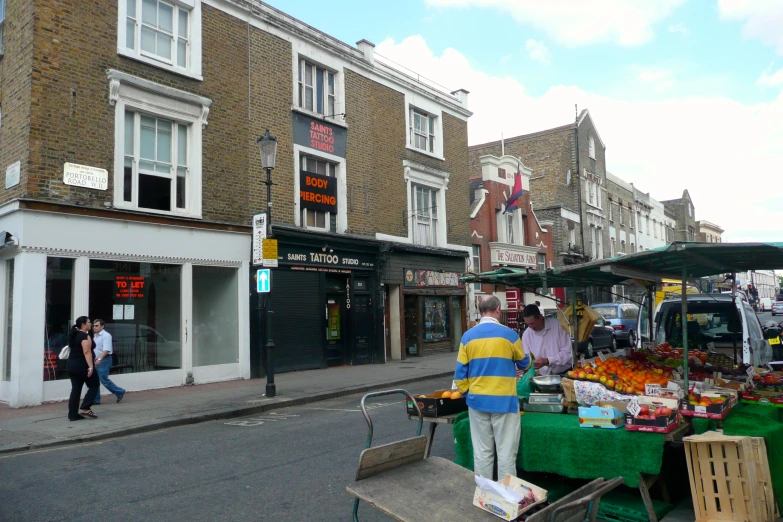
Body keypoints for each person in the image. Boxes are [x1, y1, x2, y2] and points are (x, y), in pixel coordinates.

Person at [454, 296, 531, 480]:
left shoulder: (467, 337)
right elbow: (524, 364)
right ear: (497, 309)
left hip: (477, 401)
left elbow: (459, 376)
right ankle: (505, 499)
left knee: (482, 453)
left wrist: (468, 394)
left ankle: (483, 495)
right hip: (504, 401)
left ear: (480, 311)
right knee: (506, 453)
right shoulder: (510, 335)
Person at [521, 304, 573, 376]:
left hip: (564, 373)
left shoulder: (558, 326)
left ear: (540, 316)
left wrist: (548, 361)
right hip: (543, 376)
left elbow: (567, 353)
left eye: (533, 323)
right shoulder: (527, 334)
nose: (531, 327)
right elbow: (526, 358)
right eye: (528, 324)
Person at [66, 316, 100, 421]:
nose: (91, 324)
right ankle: (85, 407)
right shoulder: (85, 336)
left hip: (72, 365)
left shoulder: (75, 334)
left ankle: (72, 415)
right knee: (94, 384)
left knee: (76, 389)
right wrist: (90, 367)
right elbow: (86, 352)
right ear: (84, 325)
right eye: (89, 322)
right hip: (82, 365)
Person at [92, 319, 125, 404]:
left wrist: (99, 359)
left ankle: (119, 391)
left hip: (104, 360)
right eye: (93, 325)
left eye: (96, 325)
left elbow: (106, 349)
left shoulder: (106, 336)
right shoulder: (95, 336)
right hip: (96, 360)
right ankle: (95, 399)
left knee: (103, 380)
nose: (94, 327)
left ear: (102, 326)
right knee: (95, 380)